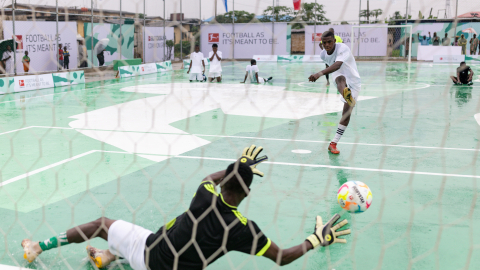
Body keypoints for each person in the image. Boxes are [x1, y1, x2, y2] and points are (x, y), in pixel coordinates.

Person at [20, 145, 351, 269]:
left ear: (224, 182)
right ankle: (107, 257)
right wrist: (316, 239)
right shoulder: (244, 230)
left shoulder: (204, 193)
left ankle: (36, 247)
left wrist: (238, 163)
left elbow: (211, 176)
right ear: (247, 194)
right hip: (167, 262)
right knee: (155, 235)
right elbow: (282, 258)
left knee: (103, 224)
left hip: (149, 253)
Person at [308, 31, 361, 154]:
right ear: (322, 43)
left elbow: (337, 65)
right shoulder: (323, 55)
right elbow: (333, 68)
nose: (327, 45)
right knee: (340, 79)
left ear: (334, 41)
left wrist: (318, 74)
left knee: (346, 114)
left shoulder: (343, 48)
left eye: (329, 42)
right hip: (339, 75)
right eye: (324, 42)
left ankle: (333, 143)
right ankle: (345, 94)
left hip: (353, 79)